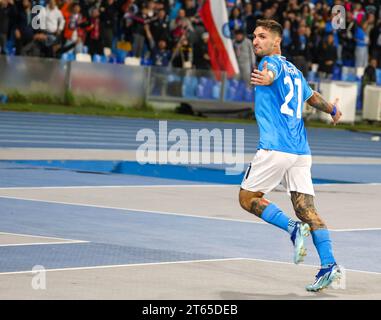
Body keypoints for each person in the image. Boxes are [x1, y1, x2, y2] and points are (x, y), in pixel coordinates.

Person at [239, 19, 343, 292]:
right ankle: (329, 265)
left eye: (262, 36)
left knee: (247, 198)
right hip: (300, 152)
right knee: (307, 210)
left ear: (276, 41)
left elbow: (270, 71)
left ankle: (292, 229)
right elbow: (312, 98)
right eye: (254, 36)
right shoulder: (295, 71)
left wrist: (267, 77)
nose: (256, 41)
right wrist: (332, 110)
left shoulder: (268, 64)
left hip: (275, 148)